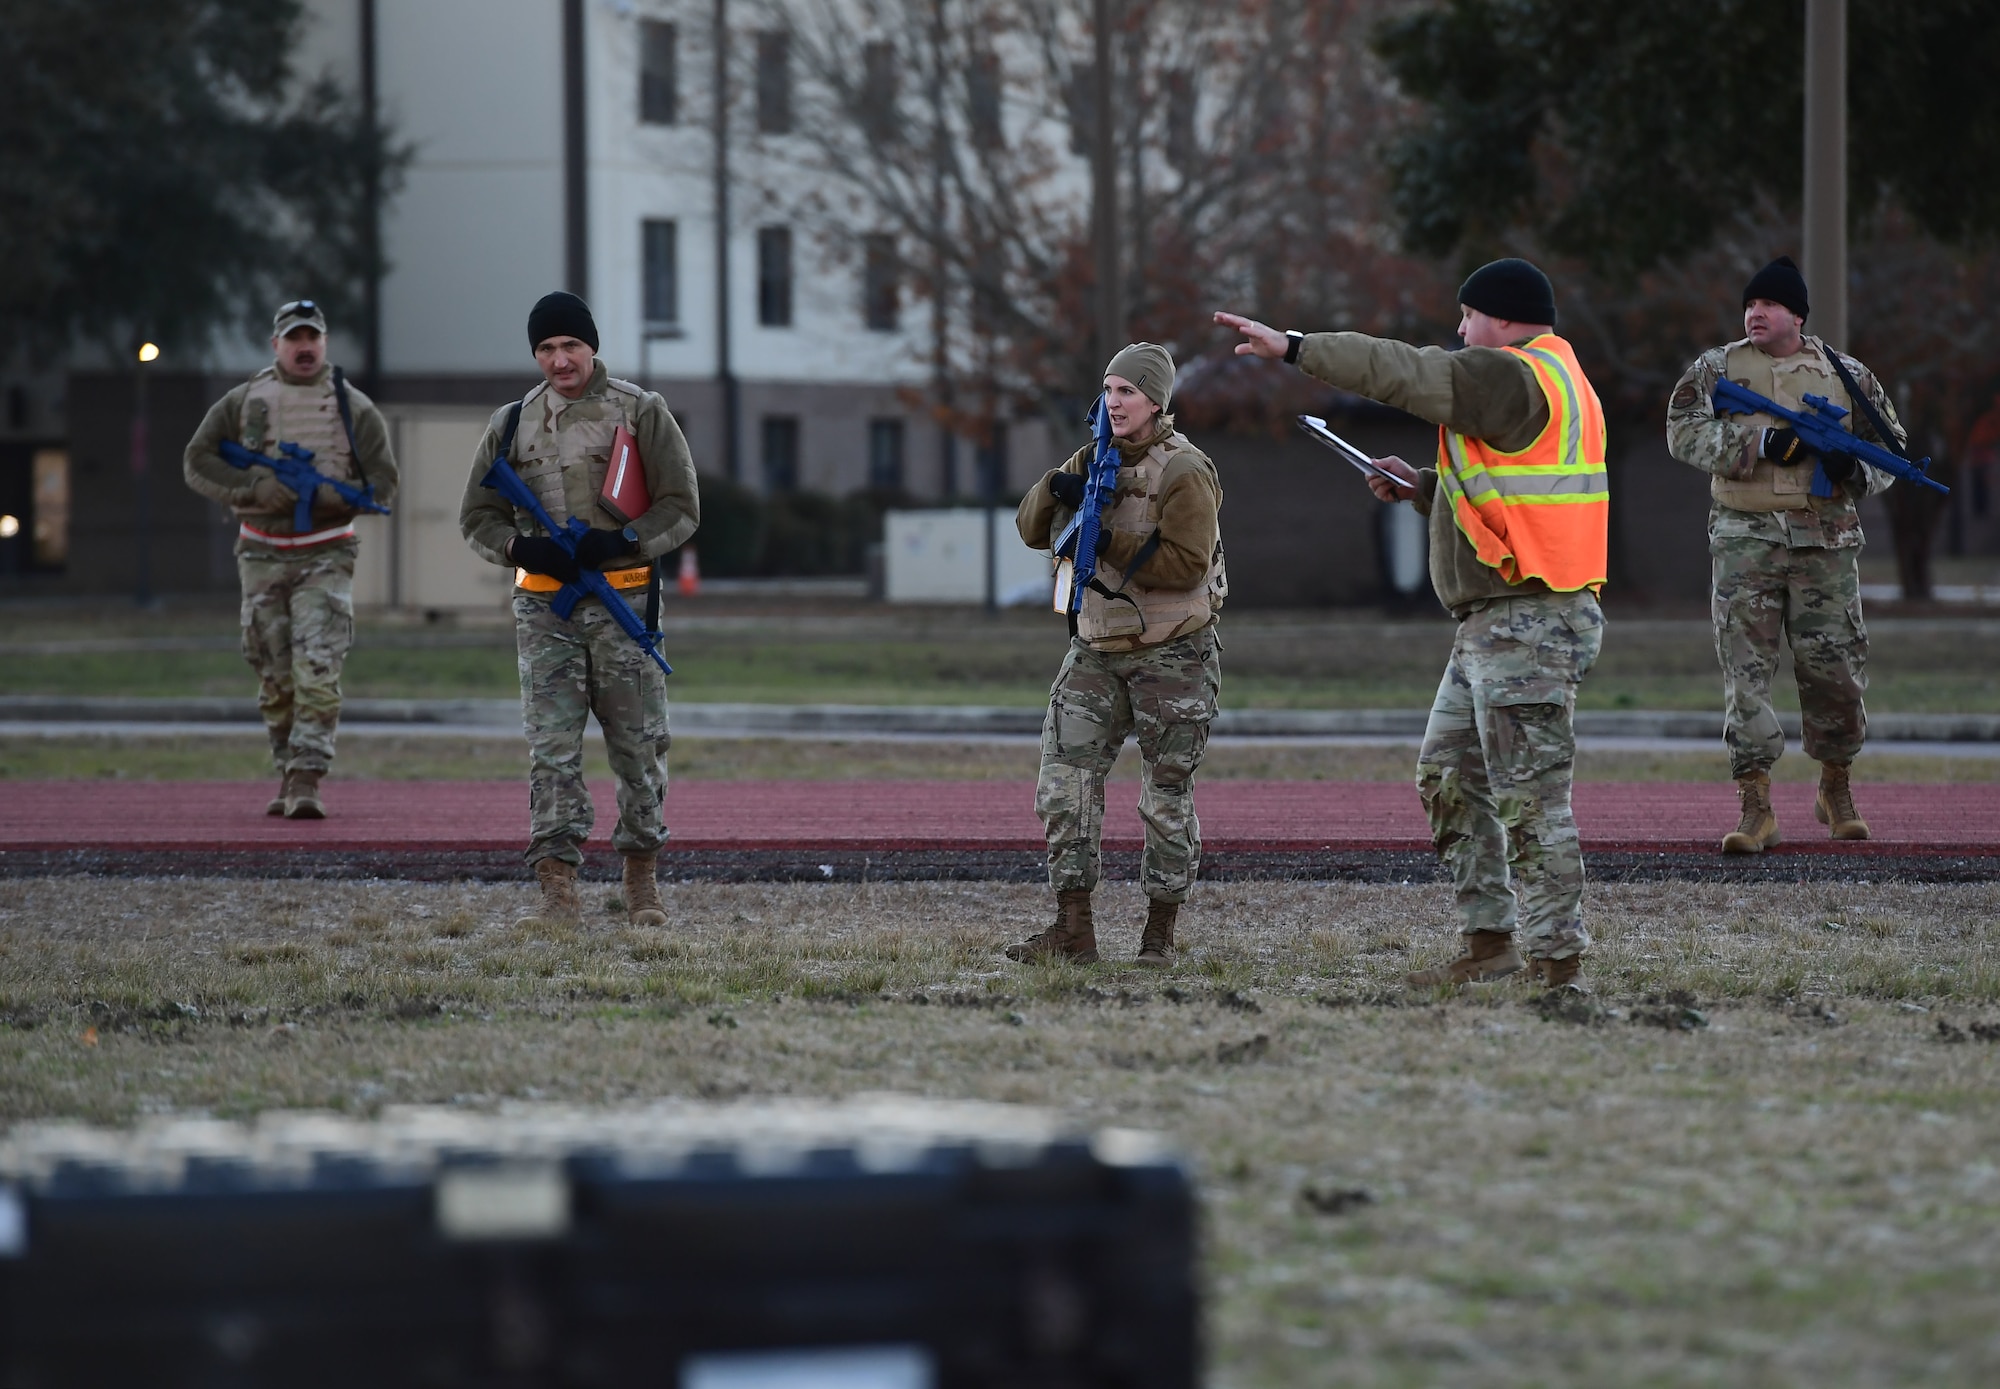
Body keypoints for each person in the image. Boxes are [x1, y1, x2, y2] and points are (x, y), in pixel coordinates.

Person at [1216, 257, 1609, 990]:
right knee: (1447, 774)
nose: (1458, 331)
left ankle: (1559, 965)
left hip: (1529, 622)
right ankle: (1491, 943)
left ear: (1502, 318)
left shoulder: (1509, 374)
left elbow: (1400, 370)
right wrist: (1426, 486)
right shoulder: (1555, 378)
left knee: (1530, 798)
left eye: (1466, 316)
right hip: (1502, 621)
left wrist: (1296, 347)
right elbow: (1515, 498)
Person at [459, 292, 700, 928]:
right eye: (546, 349)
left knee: (639, 746)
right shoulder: (511, 423)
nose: (559, 360)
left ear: (592, 346)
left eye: (570, 346)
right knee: (552, 752)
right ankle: (556, 888)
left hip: (623, 602)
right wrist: (520, 547)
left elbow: (681, 506)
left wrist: (621, 540)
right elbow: (475, 517)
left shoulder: (639, 410)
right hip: (545, 613)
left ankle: (641, 879)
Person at [1666, 256, 1904, 853]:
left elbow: (1891, 449)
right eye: (1750, 305)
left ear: (1796, 315)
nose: (1755, 313)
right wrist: (1761, 442)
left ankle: (1835, 787)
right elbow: (1682, 432)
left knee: (1836, 674)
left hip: (1825, 543)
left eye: (1768, 305)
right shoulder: (1716, 368)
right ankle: (1756, 805)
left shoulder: (1847, 377)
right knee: (1745, 675)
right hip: (1746, 539)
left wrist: (1854, 469)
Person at [1007, 342, 1227, 967]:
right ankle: (1073, 929)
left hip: (1172, 655)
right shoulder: (1090, 457)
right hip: (1095, 652)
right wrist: (1056, 489)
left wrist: (1112, 541)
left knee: (1165, 794)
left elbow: (1186, 566)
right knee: (1064, 786)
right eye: (1108, 390)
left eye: (1127, 391)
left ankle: (1158, 935)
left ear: (1156, 401)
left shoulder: (1186, 470)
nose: (1115, 402)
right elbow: (1029, 529)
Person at [183, 300, 399, 819]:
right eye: (293, 338)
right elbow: (198, 461)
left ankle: (307, 777)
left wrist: (336, 497)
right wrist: (254, 484)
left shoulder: (353, 407)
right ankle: (286, 766)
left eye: (313, 337)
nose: (304, 347)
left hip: (326, 553)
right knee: (275, 674)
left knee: (318, 668)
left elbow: (384, 483)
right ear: (276, 345)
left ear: (324, 343)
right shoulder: (242, 402)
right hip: (260, 552)